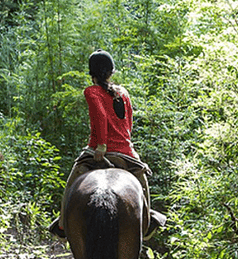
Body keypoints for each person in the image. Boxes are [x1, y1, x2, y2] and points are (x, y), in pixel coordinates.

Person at [49, 49, 166, 240]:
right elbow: (129, 123)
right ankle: (146, 222)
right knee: (142, 183)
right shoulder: (124, 92)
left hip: (99, 150)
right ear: (111, 72)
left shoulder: (91, 91)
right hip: (126, 151)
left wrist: (101, 147)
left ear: (92, 74)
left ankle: (62, 224)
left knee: (71, 184)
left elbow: (100, 116)